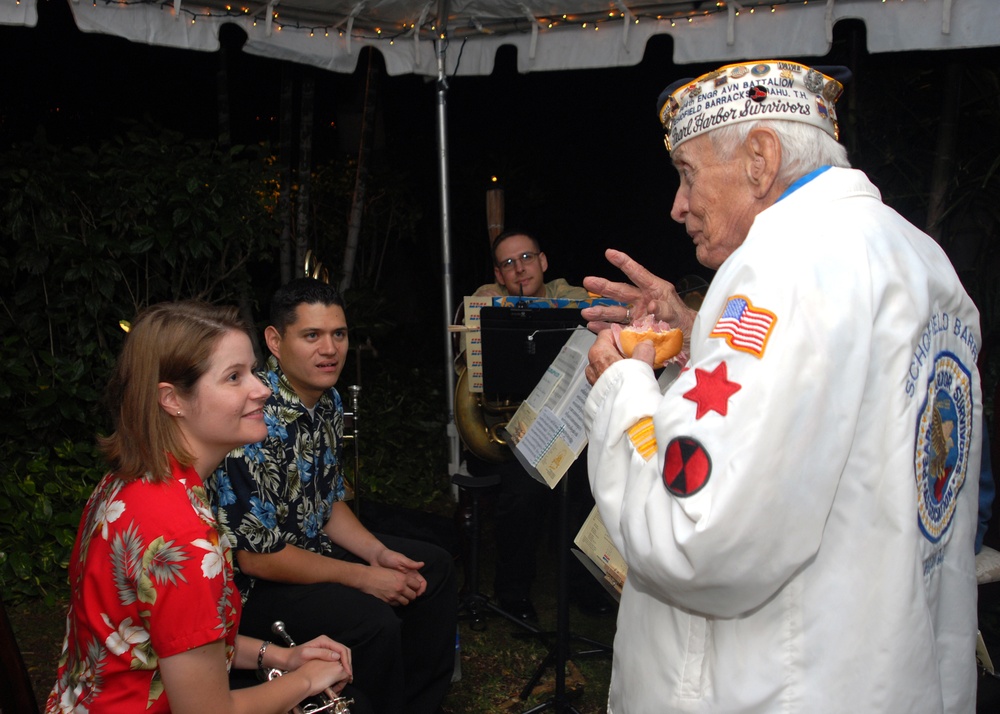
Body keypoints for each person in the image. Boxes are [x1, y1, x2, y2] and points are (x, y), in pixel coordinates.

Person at [580, 60, 984, 713]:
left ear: (760, 158)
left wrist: (623, 383)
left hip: (775, 687)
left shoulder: (781, 270)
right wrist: (700, 335)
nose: (677, 206)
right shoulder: (920, 260)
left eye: (687, 173)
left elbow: (694, 533)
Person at [46, 301, 355, 714]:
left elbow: (167, 641)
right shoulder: (182, 539)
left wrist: (279, 656)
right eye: (233, 377)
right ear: (172, 400)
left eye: (252, 370)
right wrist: (305, 680)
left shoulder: (128, 483)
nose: (262, 388)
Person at [208, 278, 457, 714]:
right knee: (373, 619)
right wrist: (363, 578)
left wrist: (378, 555)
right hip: (254, 588)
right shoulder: (248, 416)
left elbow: (327, 502)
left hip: (311, 553)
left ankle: (419, 703)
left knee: (432, 567)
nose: (330, 349)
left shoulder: (328, 401)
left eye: (338, 334)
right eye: (311, 335)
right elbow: (256, 559)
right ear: (275, 340)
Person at [461, 230, 614, 620]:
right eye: (508, 263)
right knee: (522, 494)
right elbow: (473, 366)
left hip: (568, 430)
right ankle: (513, 591)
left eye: (526, 257)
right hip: (512, 432)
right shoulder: (487, 300)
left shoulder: (569, 295)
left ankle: (583, 585)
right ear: (499, 274)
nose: (519, 268)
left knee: (587, 488)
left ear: (543, 261)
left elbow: (607, 313)